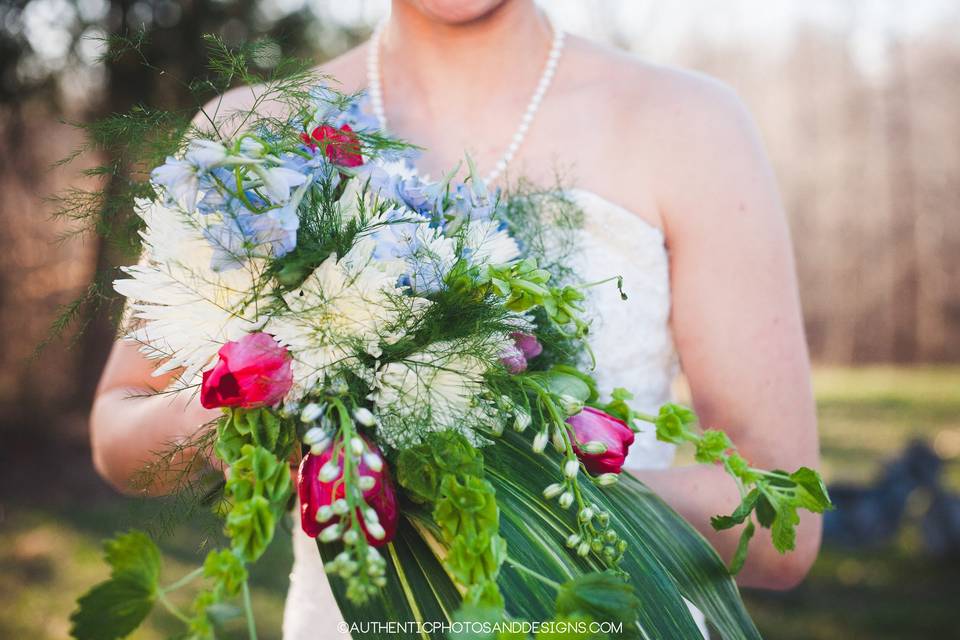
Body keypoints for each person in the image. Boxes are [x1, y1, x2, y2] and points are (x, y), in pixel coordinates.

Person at [91, 0, 822, 636]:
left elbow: (785, 534)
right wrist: (252, 409)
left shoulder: (690, 124)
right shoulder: (254, 131)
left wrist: (501, 482)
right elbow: (119, 427)